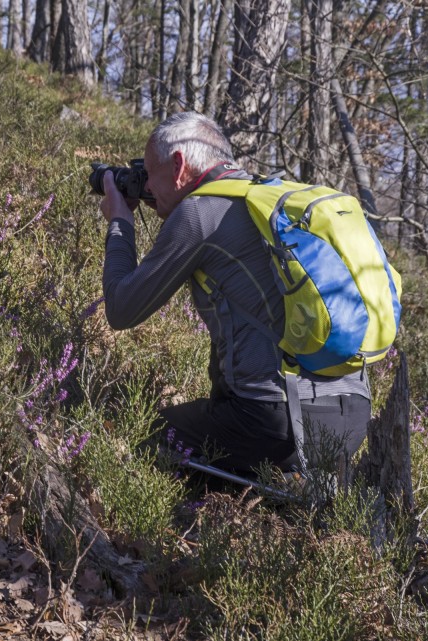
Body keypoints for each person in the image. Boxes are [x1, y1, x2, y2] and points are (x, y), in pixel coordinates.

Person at [99, 111, 370, 474]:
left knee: (144, 436)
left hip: (280, 426)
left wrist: (120, 221)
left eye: (150, 173)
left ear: (178, 164)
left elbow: (121, 309)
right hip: (351, 420)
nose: (147, 185)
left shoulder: (197, 214)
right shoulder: (263, 199)